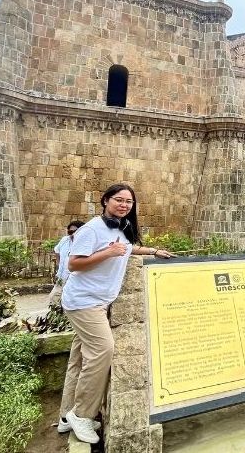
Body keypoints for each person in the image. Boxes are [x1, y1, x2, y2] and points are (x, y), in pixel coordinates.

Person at [58, 183, 173, 444]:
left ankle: (67, 415)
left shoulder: (120, 229)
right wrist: (107, 252)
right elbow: (73, 263)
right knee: (103, 350)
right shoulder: (92, 229)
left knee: (80, 358)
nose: (124, 205)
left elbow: (127, 248)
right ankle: (83, 415)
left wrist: (153, 251)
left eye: (128, 202)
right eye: (118, 200)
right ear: (105, 201)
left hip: (98, 302)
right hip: (85, 303)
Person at [47, 220, 85, 307]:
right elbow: (57, 250)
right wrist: (58, 264)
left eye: (75, 231)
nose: (72, 234)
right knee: (53, 300)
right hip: (61, 278)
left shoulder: (85, 244)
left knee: (70, 305)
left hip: (75, 281)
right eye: (70, 232)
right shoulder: (65, 240)